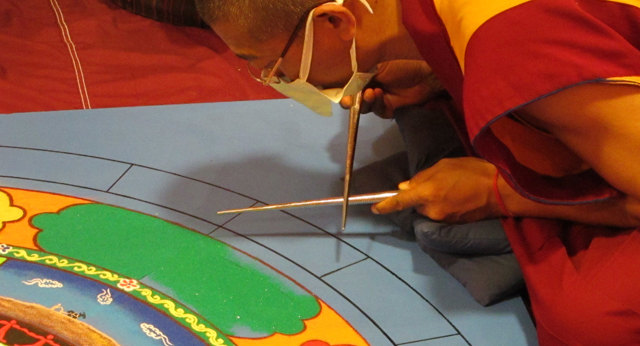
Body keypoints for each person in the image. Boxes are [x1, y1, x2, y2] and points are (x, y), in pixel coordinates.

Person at [194, 0, 640, 344]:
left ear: (334, 22)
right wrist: (435, 75)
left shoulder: (514, 48)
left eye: (267, 64)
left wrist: (499, 194)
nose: (274, 76)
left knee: (589, 320)